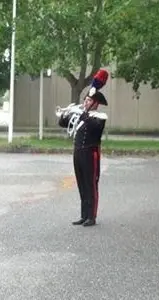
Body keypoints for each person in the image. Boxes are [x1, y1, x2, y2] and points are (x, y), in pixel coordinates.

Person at [56, 69, 108, 227]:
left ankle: (91, 216)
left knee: (91, 184)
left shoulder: (99, 117)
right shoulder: (80, 114)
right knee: (81, 184)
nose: (85, 103)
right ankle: (83, 215)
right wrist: (65, 114)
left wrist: (82, 114)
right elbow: (63, 124)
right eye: (85, 100)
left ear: (95, 104)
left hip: (90, 153)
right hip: (78, 152)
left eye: (88, 101)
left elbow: (95, 127)